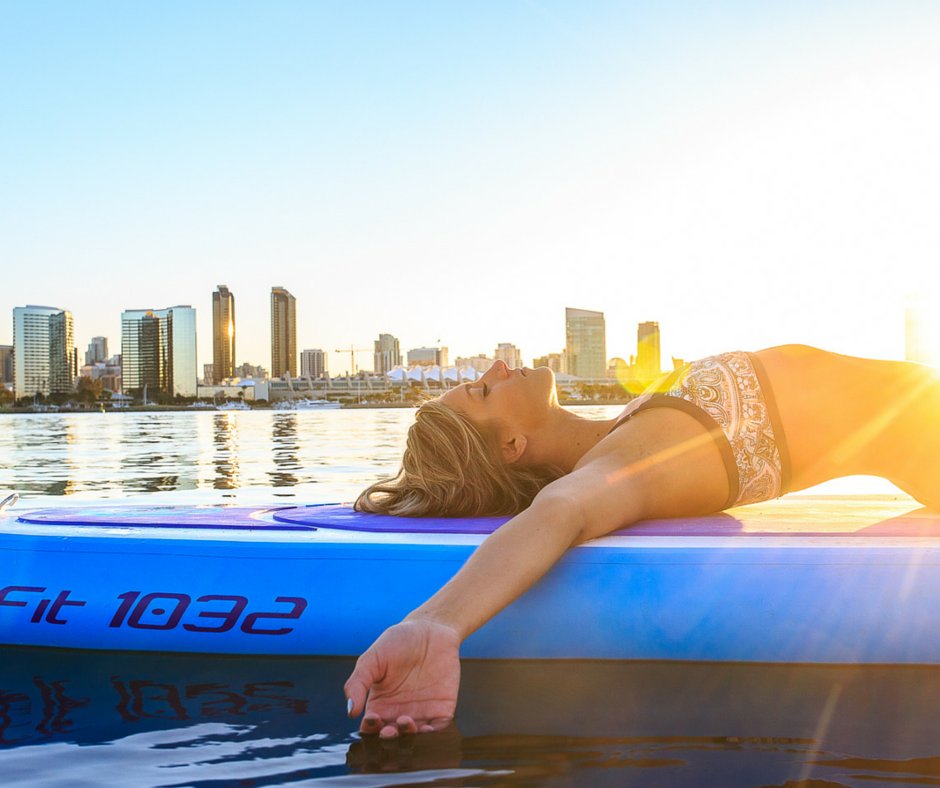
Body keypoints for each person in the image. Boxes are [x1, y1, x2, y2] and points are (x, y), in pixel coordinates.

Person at [344, 344, 940, 738]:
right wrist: (436, 623)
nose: (498, 368)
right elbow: (563, 509)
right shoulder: (626, 461)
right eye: (483, 391)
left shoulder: (631, 425)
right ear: (509, 448)